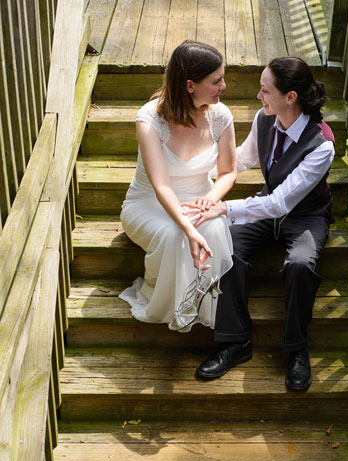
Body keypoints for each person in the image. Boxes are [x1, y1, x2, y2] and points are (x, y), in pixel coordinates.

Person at [187, 56, 335, 390]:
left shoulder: (321, 145)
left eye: (265, 90)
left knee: (300, 264)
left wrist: (224, 209)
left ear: (290, 97)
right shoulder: (264, 118)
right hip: (264, 210)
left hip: (305, 216)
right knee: (226, 248)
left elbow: (281, 202)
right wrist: (196, 177)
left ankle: (296, 349)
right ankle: (236, 342)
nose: (259, 96)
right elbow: (243, 159)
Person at [119, 40, 237, 331]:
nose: (224, 86)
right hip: (149, 203)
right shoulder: (149, 119)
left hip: (198, 199)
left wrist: (209, 201)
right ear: (189, 85)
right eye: (216, 80)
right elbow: (161, 186)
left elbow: (228, 172)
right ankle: (170, 306)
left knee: (213, 227)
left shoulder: (221, 116)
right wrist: (188, 227)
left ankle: (201, 303)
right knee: (176, 235)